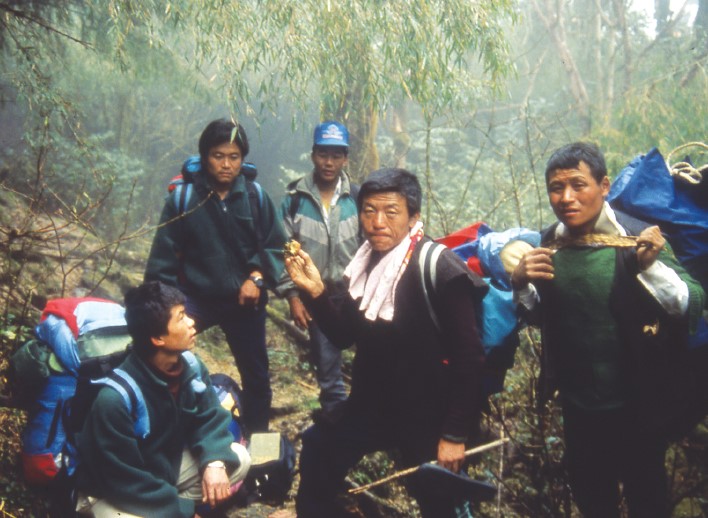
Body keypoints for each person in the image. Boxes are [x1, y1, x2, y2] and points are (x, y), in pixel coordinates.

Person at [510, 142, 706, 518]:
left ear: (604, 186)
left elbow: (689, 303)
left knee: (648, 503)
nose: (566, 197)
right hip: (580, 411)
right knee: (594, 503)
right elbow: (543, 317)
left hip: (639, 408)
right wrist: (520, 283)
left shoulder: (638, 237)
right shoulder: (550, 243)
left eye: (578, 184)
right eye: (556, 188)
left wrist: (650, 267)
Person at [285, 167, 488, 517]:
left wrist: (455, 434)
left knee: (439, 503)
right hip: (372, 405)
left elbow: (470, 360)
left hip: (429, 413)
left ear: (413, 217)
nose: (377, 222)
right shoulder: (366, 263)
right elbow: (344, 335)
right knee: (319, 449)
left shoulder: (440, 268)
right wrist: (316, 292)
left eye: (391, 212)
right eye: (369, 211)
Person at [145, 118, 287, 433]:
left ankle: (258, 449)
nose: (226, 164)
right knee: (160, 354)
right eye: (218, 156)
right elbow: (162, 259)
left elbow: (275, 246)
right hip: (196, 298)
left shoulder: (255, 196)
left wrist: (257, 278)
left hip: (244, 301)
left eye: (234, 157)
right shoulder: (183, 199)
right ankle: (160, 431)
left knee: (257, 378)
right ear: (205, 156)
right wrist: (158, 309)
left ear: (243, 159)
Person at [74, 281, 252, 518]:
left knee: (238, 458)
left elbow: (209, 418)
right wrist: (183, 512)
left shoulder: (191, 367)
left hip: (161, 471)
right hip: (109, 492)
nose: (191, 322)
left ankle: (167, 507)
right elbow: (123, 481)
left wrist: (214, 462)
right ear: (158, 338)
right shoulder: (115, 399)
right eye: (181, 317)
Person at [276, 120, 360, 420]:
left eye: (336, 155)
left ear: (345, 158)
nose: (329, 162)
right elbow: (283, 250)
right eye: (323, 154)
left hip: (357, 294)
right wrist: (293, 296)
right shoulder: (294, 200)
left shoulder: (358, 197)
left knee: (371, 362)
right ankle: (336, 425)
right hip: (316, 296)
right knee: (328, 370)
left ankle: (368, 423)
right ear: (313, 155)